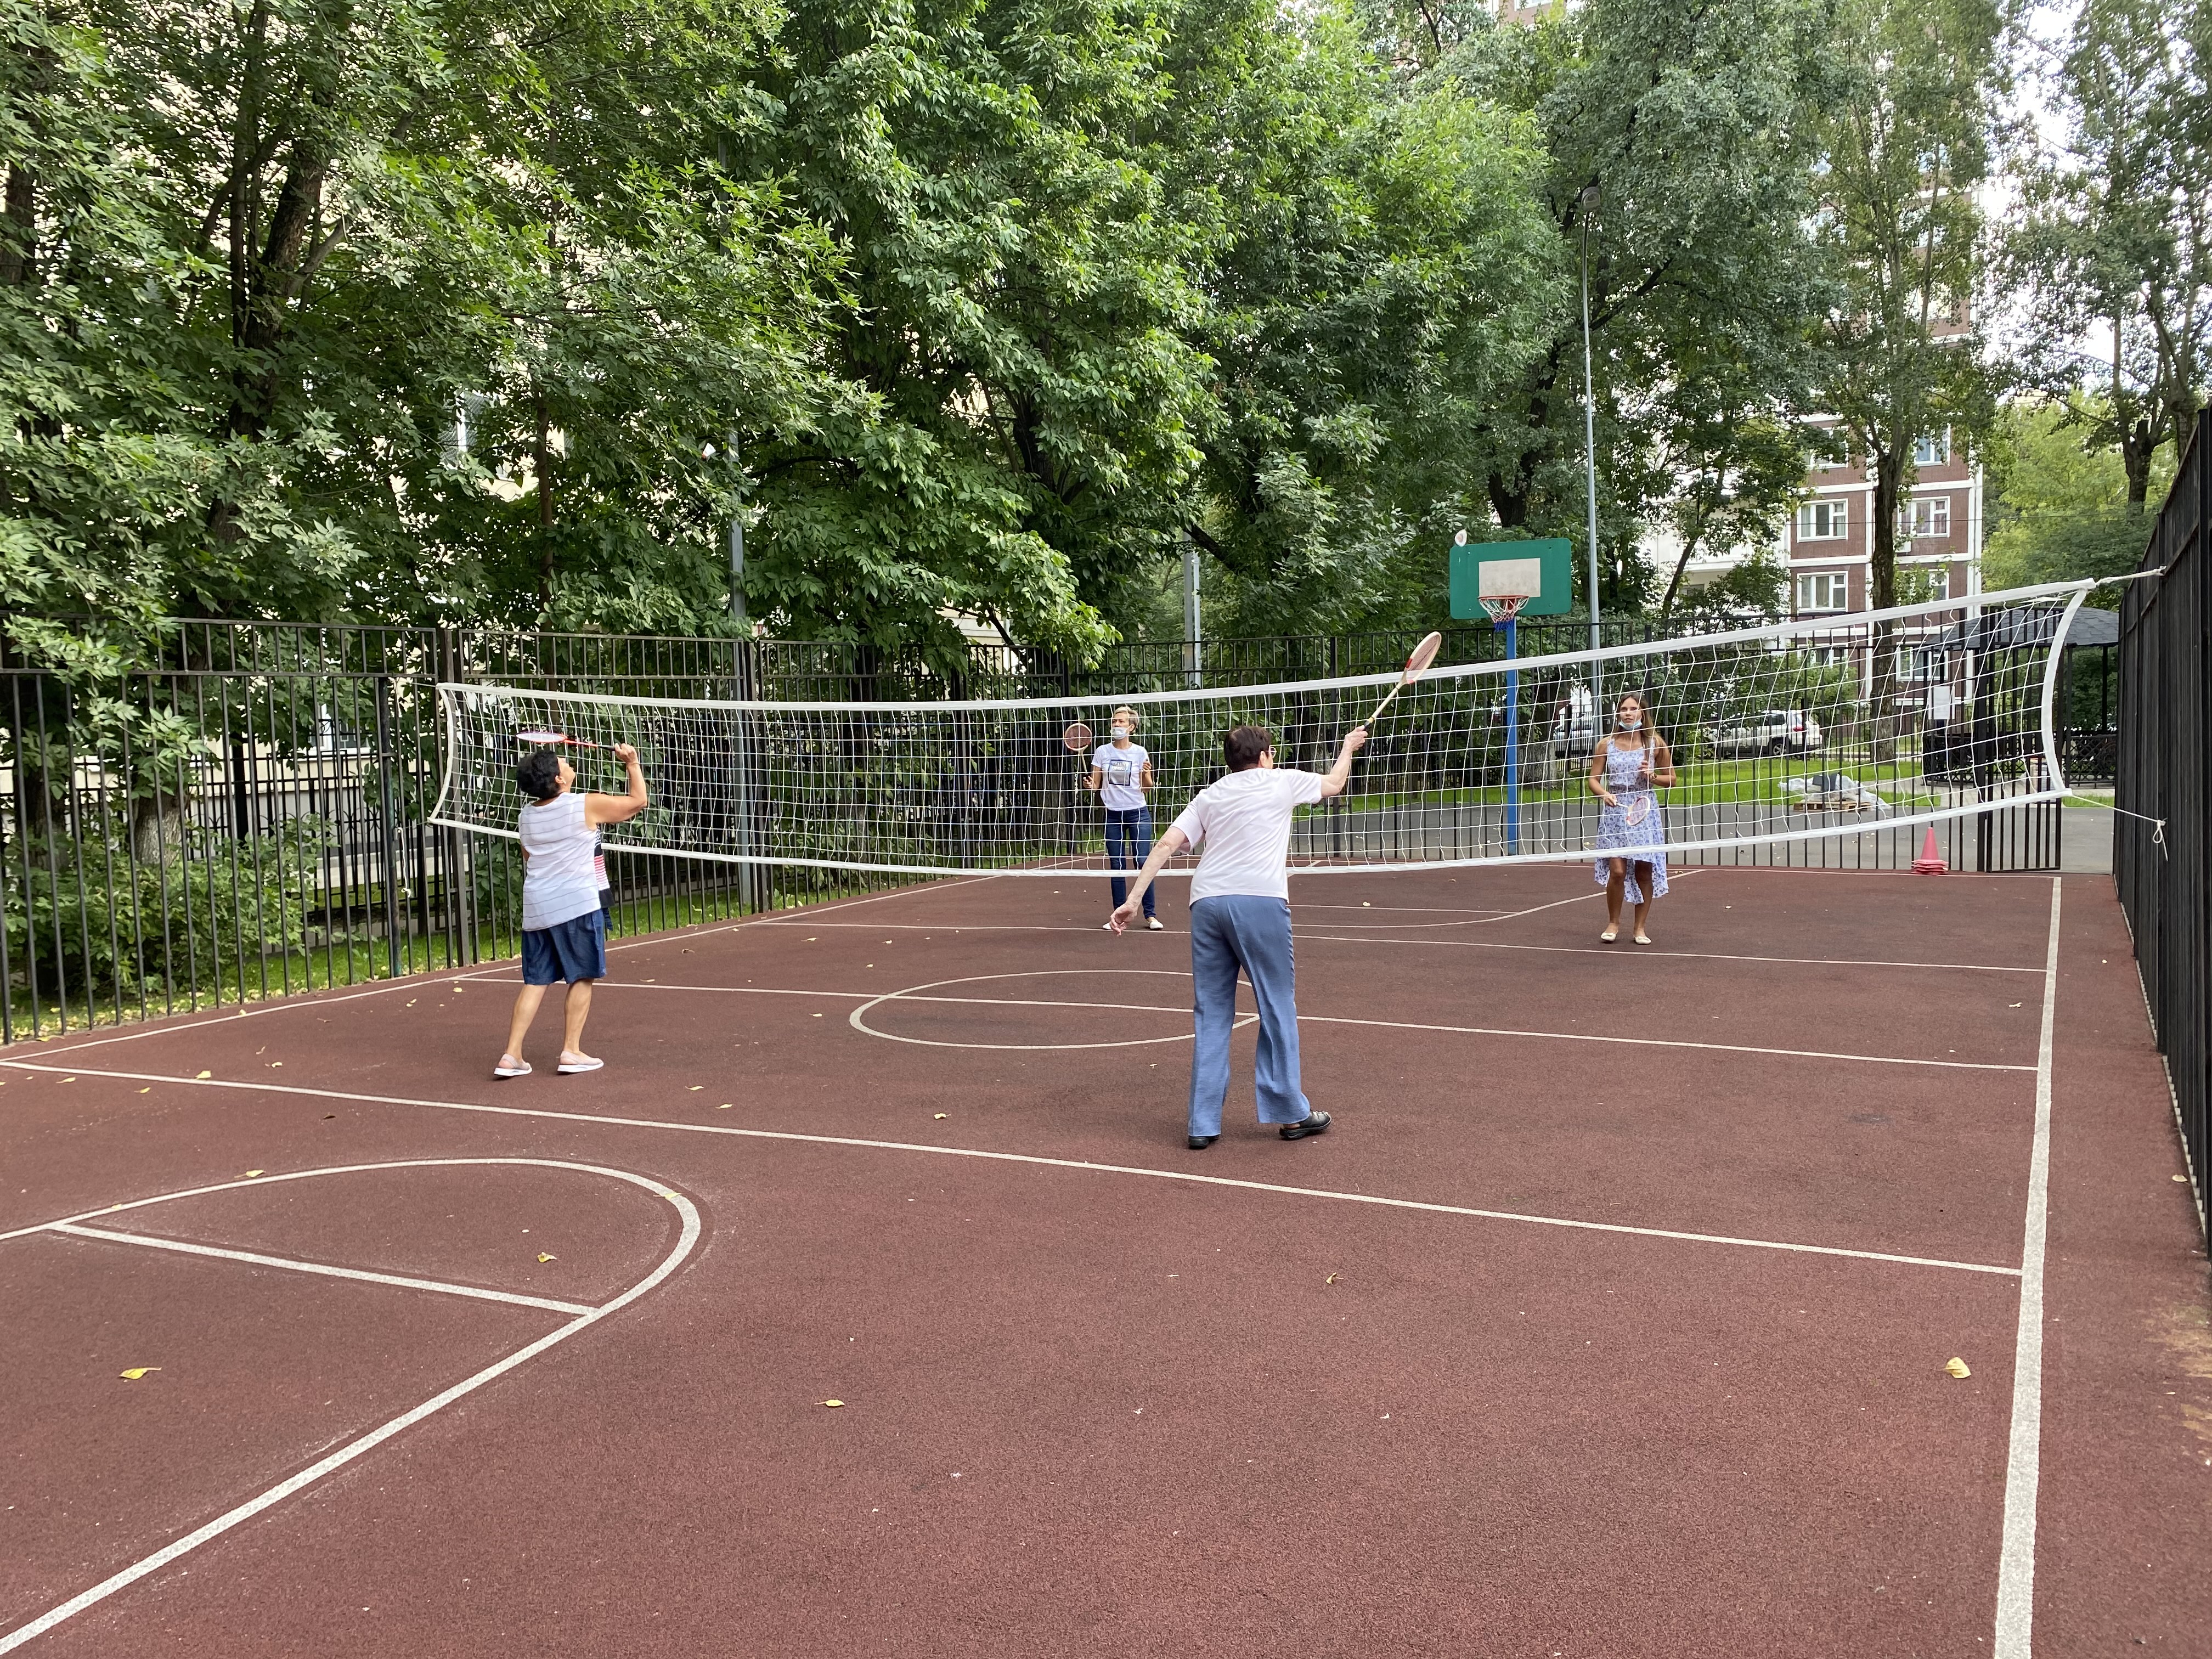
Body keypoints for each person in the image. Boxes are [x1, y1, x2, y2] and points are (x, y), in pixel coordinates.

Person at [1110, 722, 1368, 1150]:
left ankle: (1202, 1123)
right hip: (1259, 902)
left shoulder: (1211, 794)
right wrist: (1348, 747)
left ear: (1230, 762)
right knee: (1276, 1004)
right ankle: (1291, 1114)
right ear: (1265, 756)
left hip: (1207, 902)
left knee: (1212, 1012)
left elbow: (1164, 846)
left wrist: (1133, 900)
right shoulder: (1281, 781)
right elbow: (1336, 783)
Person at [495, 742, 648, 1078]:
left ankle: (511, 1055)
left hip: (538, 907)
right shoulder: (584, 805)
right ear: (559, 780)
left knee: (536, 981)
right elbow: (638, 802)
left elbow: (529, 858)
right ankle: (571, 1052)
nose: (567, 763)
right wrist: (632, 764)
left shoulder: (526, 815)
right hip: (576, 904)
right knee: (581, 975)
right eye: (562, 763)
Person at [1588, 691, 1674, 945]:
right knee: (1617, 870)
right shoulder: (1606, 744)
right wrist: (1604, 794)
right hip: (1616, 810)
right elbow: (1593, 779)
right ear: (1618, 714)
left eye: (1633, 708)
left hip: (1643, 810)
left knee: (1644, 871)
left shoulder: (1655, 744)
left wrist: (1653, 776)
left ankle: (1640, 928)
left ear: (1642, 713)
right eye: (1624, 709)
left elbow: (1671, 779)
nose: (1628, 712)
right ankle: (1613, 923)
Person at [1087, 703, 1165, 930]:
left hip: (1137, 812)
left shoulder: (1140, 752)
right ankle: (1118, 915)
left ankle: (1150, 915)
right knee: (1117, 865)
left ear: (1131, 727)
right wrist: (1091, 785)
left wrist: (1146, 774)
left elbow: (1147, 788)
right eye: (1114, 721)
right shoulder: (1102, 751)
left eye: (1121, 722)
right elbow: (1096, 786)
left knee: (1143, 863)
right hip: (1113, 815)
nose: (1116, 725)